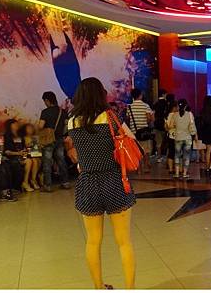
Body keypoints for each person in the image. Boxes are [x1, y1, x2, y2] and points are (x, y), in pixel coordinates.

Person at [68, 77, 137, 289]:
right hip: (114, 180)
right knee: (124, 242)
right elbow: (131, 139)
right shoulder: (110, 117)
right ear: (101, 94)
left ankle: (98, 288)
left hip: (88, 183)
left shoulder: (72, 121)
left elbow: (79, 152)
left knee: (92, 241)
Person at [38, 91, 70, 192]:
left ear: (47, 100)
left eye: (44, 101)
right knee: (61, 161)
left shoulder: (45, 112)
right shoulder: (62, 111)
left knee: (47, 162)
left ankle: (47, 185)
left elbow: (40, 126)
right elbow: (66, 124)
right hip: (59, 139)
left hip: (48, 140)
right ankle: (65, 182)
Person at [127, 88, 154, 174]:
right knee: (145, 150)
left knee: (137, 151)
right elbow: (149, 118)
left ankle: (139, 169)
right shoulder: (145, 106)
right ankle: (146, 166)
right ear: (140, 95)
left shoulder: (129, 107)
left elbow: (128, 119)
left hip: (134, 132)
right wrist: (147, 122)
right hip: (144, 132)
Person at [169, 99, 197, 178]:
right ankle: (184, 173)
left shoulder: (175, 115)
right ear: (186, 106)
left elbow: (171, 125)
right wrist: (194, 134)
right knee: (186, 156)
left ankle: (177, 173)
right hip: (187, 138)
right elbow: (192, 126)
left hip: (178, 137)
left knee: (177, 155)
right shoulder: (190, 114)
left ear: (178, 106)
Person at [4, 119, 34, 192]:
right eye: (14, 124)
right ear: (10, 125)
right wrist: (18, 153)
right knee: (25, 162)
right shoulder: (6, 136)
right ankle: (21, 184)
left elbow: (23, 147)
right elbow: (6, 152)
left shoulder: (20, 136)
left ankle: (25, 182)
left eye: (17, 123)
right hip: (12, 157)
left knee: (31, 161)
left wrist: (25, 150)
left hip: (21, 156)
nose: (16, 125)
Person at [20, 123, 42, 190]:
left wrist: (39, 146)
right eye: (28, 128)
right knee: (34, 160)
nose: (30, 130)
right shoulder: (23, 138)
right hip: (27, 154)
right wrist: (29, 145)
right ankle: (33, 180)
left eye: (31, 128)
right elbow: (24, 147)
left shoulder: (35, 137)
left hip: (35, 154)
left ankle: (34, 179)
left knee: (38, 160)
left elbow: (37, 147)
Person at [152, 89, 169, 163]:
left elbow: (153, 114)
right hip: (165, 124)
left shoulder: (155, 103)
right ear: (163, 94)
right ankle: (166, 157)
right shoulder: (166, 103)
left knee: (158, 142)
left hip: (157, 124)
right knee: (166, 141)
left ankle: (159, 157)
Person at [164, 101, 179, 174]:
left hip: (170, 136)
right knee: (177, 153)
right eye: (177, 106)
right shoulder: (175, 115)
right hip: (176, 136)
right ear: (174, 107)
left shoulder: (168, 115)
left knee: (171, 153)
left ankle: (170, 169)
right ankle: (177, 169)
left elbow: (166, 127)